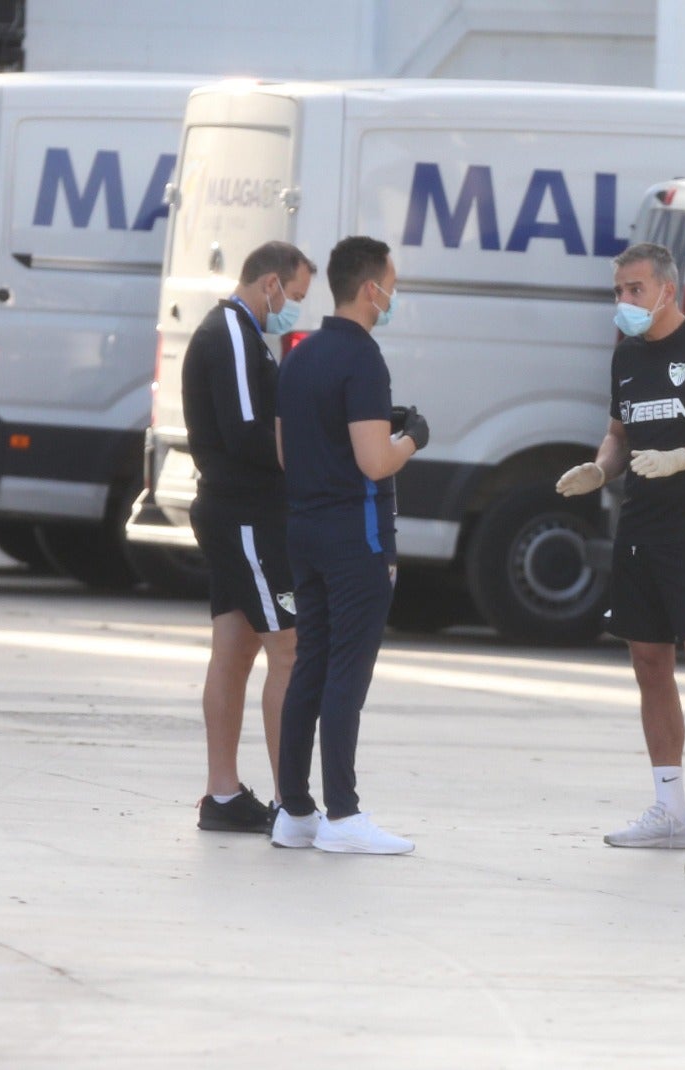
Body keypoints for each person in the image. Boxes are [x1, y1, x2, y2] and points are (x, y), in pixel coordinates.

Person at [556, 241, 685, 880]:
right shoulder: (626, 356)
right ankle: (670, 811)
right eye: (618, 291)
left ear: (667, 289)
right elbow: (618, 433)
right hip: (640, 527)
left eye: (635, 289)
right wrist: (597, 468)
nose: (624, 302)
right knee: (647, 660)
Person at [269, 236, 428, 855]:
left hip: (303, 529)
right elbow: (374, 460)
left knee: (310, 664)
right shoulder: (363, 359)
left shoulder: (299, 355)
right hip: (354, 537)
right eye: (392, 282)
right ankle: (344, 814)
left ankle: (295, 811)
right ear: (371, 289)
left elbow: (287, 453)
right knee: (346, 674)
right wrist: (412, 435)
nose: (393, 293)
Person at [186, 240, 317, 832]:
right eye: (294, 296)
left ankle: (223, 795)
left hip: (236, 514)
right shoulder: (234, 335)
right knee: (289, 648)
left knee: (236, 651)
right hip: (246, 518)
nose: (294, 309)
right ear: (270, 284)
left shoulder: (239, 333)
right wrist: (321, 455)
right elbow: (246, 433)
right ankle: (293, 802)